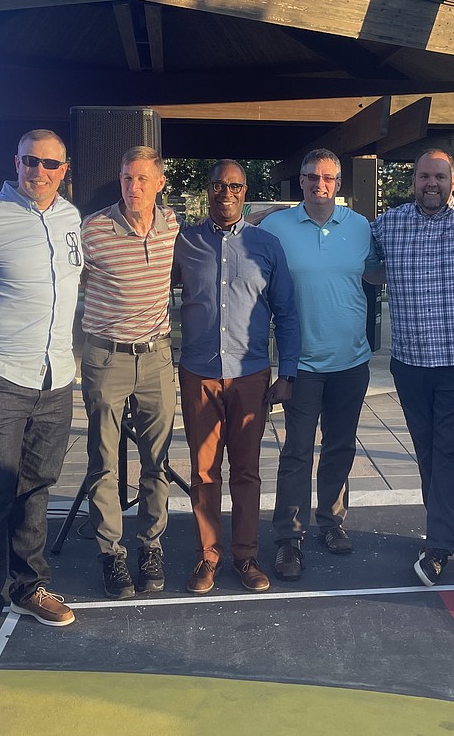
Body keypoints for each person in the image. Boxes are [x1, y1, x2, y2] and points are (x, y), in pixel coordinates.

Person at [0, 129, 82, 656]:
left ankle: (28, 586)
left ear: (63, 169)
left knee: (35, 487)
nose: (40, 171)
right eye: (31, 161)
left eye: (50, 164)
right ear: (16, 162)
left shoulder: (71, 218)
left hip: (56, 378)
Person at [173, 159, 300, 594]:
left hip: (250, 376)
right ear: (207, 191)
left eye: (234, 186)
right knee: (203, 472)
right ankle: (207, 558)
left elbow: (286, 313)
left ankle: (246, 557)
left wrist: (288, 373)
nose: (225, 193)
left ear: (245, 192)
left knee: (246, 472)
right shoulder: (184, 241)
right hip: (199, 374)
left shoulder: (267, 245)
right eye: (217, 186)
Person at [369, 149, 454, 586]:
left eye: (439, 176)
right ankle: (439, 524)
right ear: (413, 180)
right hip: (410, 363)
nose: (431, 184)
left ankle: (440, 543)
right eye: (424, 176)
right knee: (426, 451)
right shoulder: (388, 225)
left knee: (449, 449)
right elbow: (357, 261)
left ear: (453, 181)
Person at [258, 149, 378, 581]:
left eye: (327, 177)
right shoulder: (277, 226)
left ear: (339, 182)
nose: (319, 184)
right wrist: (266, 210)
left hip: (351, 359)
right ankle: (289, 539)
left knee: (340, 448)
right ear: (301, 181)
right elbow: (242, 230)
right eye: (310, 177)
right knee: (296, 452)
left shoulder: (361, 227)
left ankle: (331, 523)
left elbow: (379, 271)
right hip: (301, 364)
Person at [80, 146, 179, 598]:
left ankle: (150, 546)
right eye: (125, 178)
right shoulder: (93, 229)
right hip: (106, 357)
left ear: (159, 182)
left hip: (157, 357)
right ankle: (111, 555)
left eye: (142, 179)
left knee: (156, 461)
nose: (132, 188)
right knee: (103, 462)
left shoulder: (173, 225)